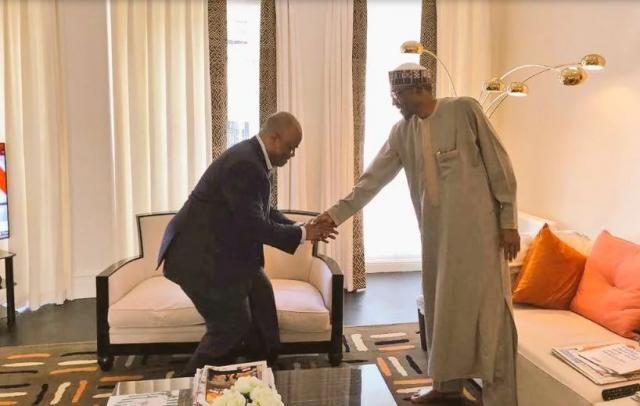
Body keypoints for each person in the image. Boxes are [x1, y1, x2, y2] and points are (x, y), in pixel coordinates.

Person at [315, 63, 521, 405]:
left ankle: (499, 397)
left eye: (397, 94)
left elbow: (500, 164)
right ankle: (445, 388)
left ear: (418, 89)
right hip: (437, 240)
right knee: (443, 310)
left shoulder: (464, 109)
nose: (395, 101)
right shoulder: (402, 132)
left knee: (490, 316)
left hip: (482, 238)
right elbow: (371, 181)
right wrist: (333, 215)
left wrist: (508, 221)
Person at [157, 111, 338, 377]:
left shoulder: (254, 158)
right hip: (198, 259)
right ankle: (186, 388)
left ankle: (262, 369)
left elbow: (261, 212)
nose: (293, 154)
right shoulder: (246, 164)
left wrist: (300, 228)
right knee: (230, 325)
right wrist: (303, 235)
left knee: (260, 294)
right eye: (291, 147)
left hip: (222, 253)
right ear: (274, 138)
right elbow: (253, 227)